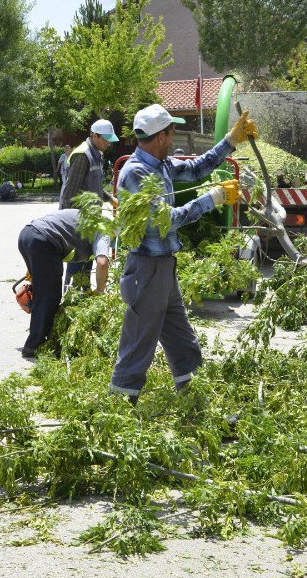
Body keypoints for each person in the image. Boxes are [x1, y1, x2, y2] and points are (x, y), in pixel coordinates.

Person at [108, 104, 253, 403]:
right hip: (146, 272)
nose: (173, 138)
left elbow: (197, 167)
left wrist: (230, 140)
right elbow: (166, 221)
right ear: (160, 136)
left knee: (183, 343)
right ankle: (118, 413)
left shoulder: (160, 165)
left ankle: (195, 401)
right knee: (137, 348)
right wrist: (211, 199)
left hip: (164, 270)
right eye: (171, 133)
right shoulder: (136, 173)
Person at [18, 208, 110, 359]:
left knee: (43, 293)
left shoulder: (90, 218)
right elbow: (102, 263)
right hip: (44, 242)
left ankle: (44, 336)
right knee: (49, 297)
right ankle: (34, 346)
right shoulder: (104, 229)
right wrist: (100, 291)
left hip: (27, 235)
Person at [59, 120, 118, 288]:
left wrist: (110, 199)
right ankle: (72, 297)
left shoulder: (97, 154)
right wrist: (69, 225)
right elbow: (69, 193)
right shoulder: (83, 155)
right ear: (95, 135)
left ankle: (84, 294)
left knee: (88, 260)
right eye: (105, 139)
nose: (108, 143)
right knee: (77, 262)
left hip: (91, 219)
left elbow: (95, 187)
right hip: (78, 220)